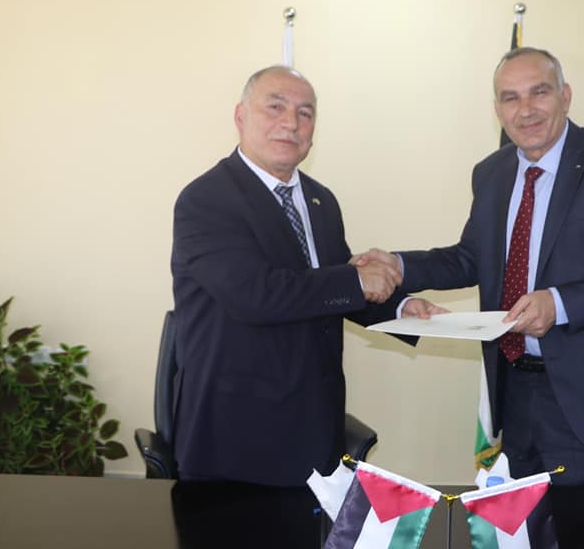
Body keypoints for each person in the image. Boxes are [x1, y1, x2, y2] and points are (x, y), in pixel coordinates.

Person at [356, 47, 584, 485]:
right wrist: (397, 265)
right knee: (519, 520)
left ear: (565, 96)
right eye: (510, 97)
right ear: (497, 109)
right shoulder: (491, 173)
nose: (525, 110)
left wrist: (560, 304)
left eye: (539, 92)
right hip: (513, 393)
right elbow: (471, 258)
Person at [170, 65, 440, 486]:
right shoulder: (207, 200)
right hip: (237, 435)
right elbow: (255, 295)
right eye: (275, 107)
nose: (290, 123)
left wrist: (402, 308)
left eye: (305, 113)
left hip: (316, 423)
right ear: (240, 116)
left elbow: (331, 286)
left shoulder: (320, 200)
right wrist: (357, 280)